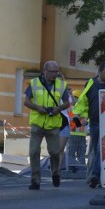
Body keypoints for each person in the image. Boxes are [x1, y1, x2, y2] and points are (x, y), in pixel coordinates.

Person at [24, 60, 70, 190]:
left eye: (56, 72)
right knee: (34, 152)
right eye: (52, 72)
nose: (54, 74)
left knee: (55, 152)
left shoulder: (62, 85)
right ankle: (35, 180)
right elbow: (26, 102)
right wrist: (37, 107)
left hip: (53, 124)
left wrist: (58, 108)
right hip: (37, 123)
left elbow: (67, 103)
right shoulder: (34, 83)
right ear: (45, 71)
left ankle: (55, 173)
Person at [72, 62, 105, 188]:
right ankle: (91, 177)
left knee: (99, 149)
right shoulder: (91, 83)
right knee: (94, 150)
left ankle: (95, 176)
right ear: (99, 72)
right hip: (94, 123)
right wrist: (78, 117)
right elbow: (83, 101)